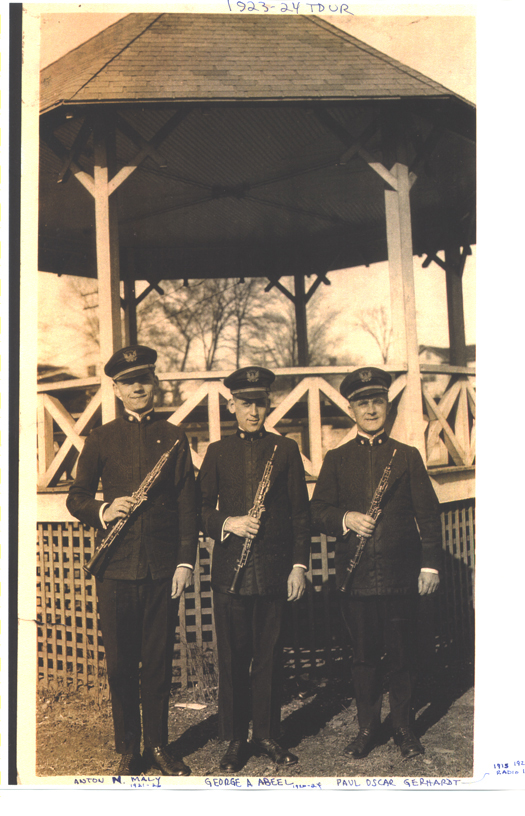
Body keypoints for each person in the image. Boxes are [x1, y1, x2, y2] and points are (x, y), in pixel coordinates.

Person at [67, 345, 198, 776]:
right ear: (117, 389)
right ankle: (129, 748)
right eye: (128, 382)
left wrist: (184, 562)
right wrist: (104, 510)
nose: (138, 387)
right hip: (116, 567)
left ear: (154, 382)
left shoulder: (174, 436)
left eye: (144, 379)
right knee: (121, 663)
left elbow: (188, 505)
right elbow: (76, 497)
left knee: (158, 662)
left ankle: (159, 745)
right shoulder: (101, 437)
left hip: (161, 568)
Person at [311, 367, 442, 761]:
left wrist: (430, 566)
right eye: (362, 403)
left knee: (403, 656)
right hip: (356, 579)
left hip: (401, 577)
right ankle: (367, 728)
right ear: (351, 410)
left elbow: (429, 515)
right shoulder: (337, 459)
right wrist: (346, 518)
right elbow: (317, 511)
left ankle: (403, 727)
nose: (371, 409)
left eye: (377, 401)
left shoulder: (407, 456)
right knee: (363, 659)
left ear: (387, 405)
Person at [197, 366, 311, 772]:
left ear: (268, 405)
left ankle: (266, 735)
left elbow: (301, 514)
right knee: (232, 660)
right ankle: (234, 739)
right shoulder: (217, 452)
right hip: (230, 574)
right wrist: (229, 523)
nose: (253, 411)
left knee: (270, 658)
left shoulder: (286, 449)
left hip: (275, 572)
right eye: (245, 404)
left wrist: (298, 566)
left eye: (260, 403)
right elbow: (199, 510)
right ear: (232, 406)